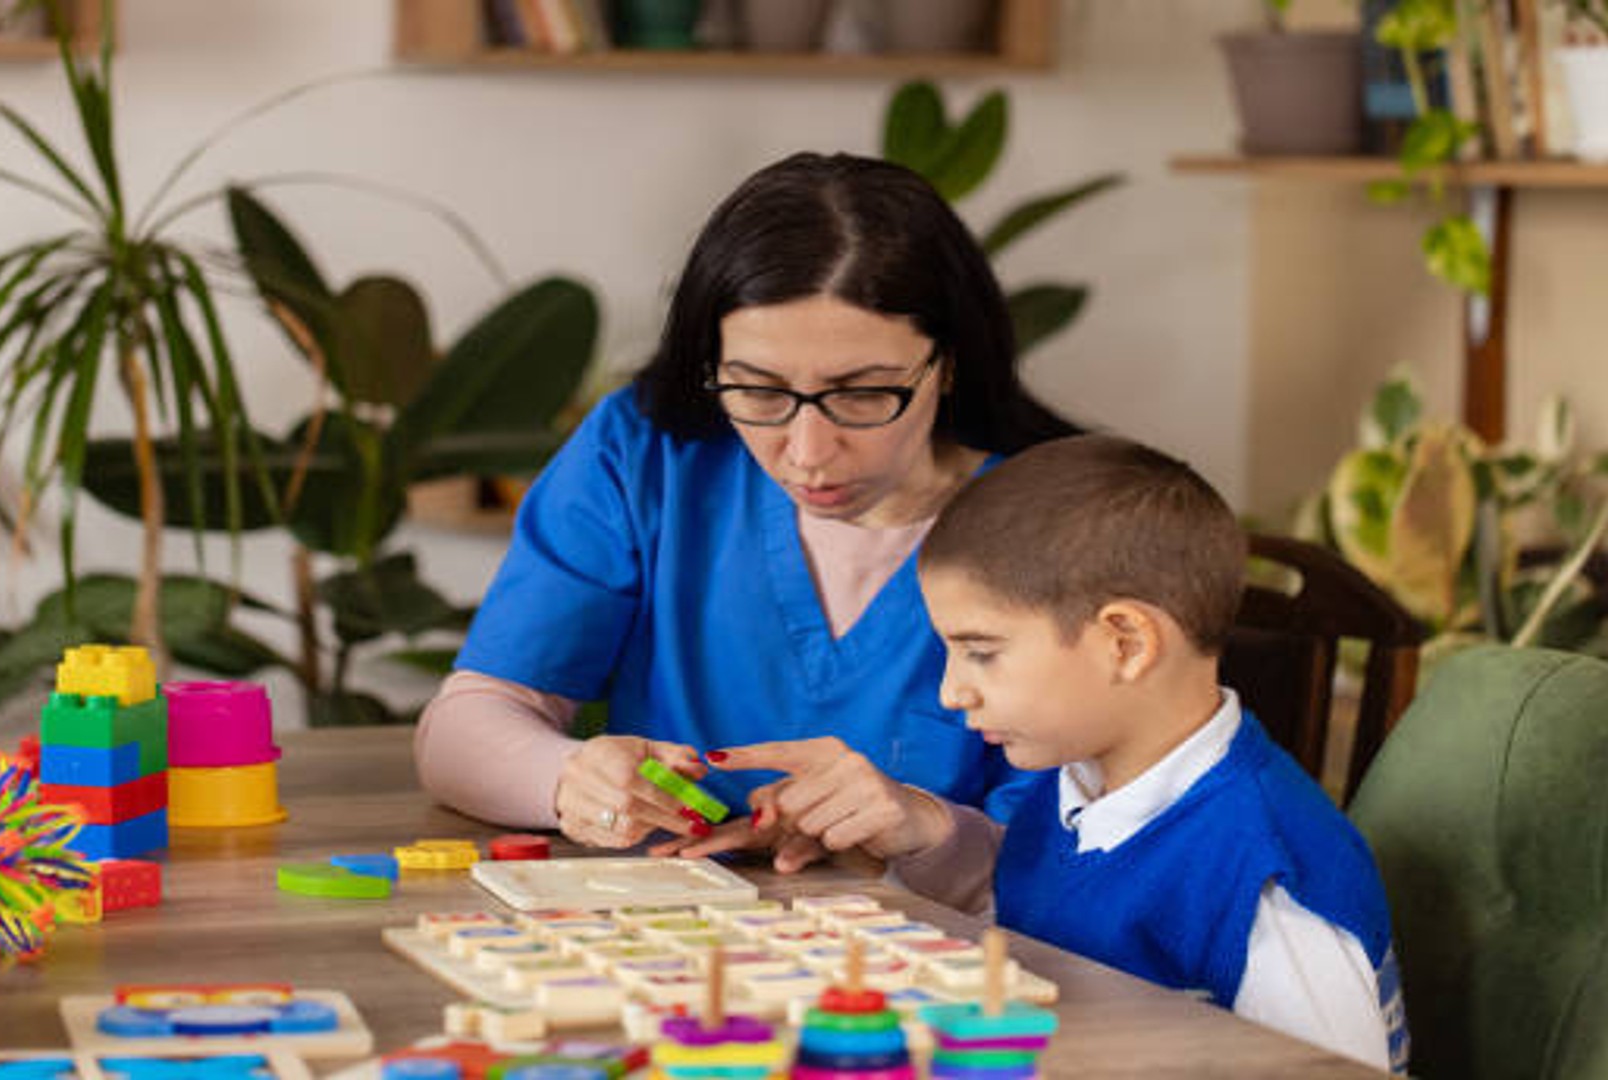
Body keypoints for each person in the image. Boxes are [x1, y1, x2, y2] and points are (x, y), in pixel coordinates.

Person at [413, 151, 1077, 851]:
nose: (808, 451)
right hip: (665, 908)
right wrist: (570, 778)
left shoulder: (1065, 523)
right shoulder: (645, 453)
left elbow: (1094, 849)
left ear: (949, 364)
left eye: (862, 393)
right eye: (758, 391)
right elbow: (463, 731)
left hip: (937, 922)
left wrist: (925, 828)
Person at [687, 435, 1408, 1073]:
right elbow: (1035, 934)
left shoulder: (1268, 877)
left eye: (980, 652)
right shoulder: (1072, 780)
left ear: (1125, 643)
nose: (951, 692)